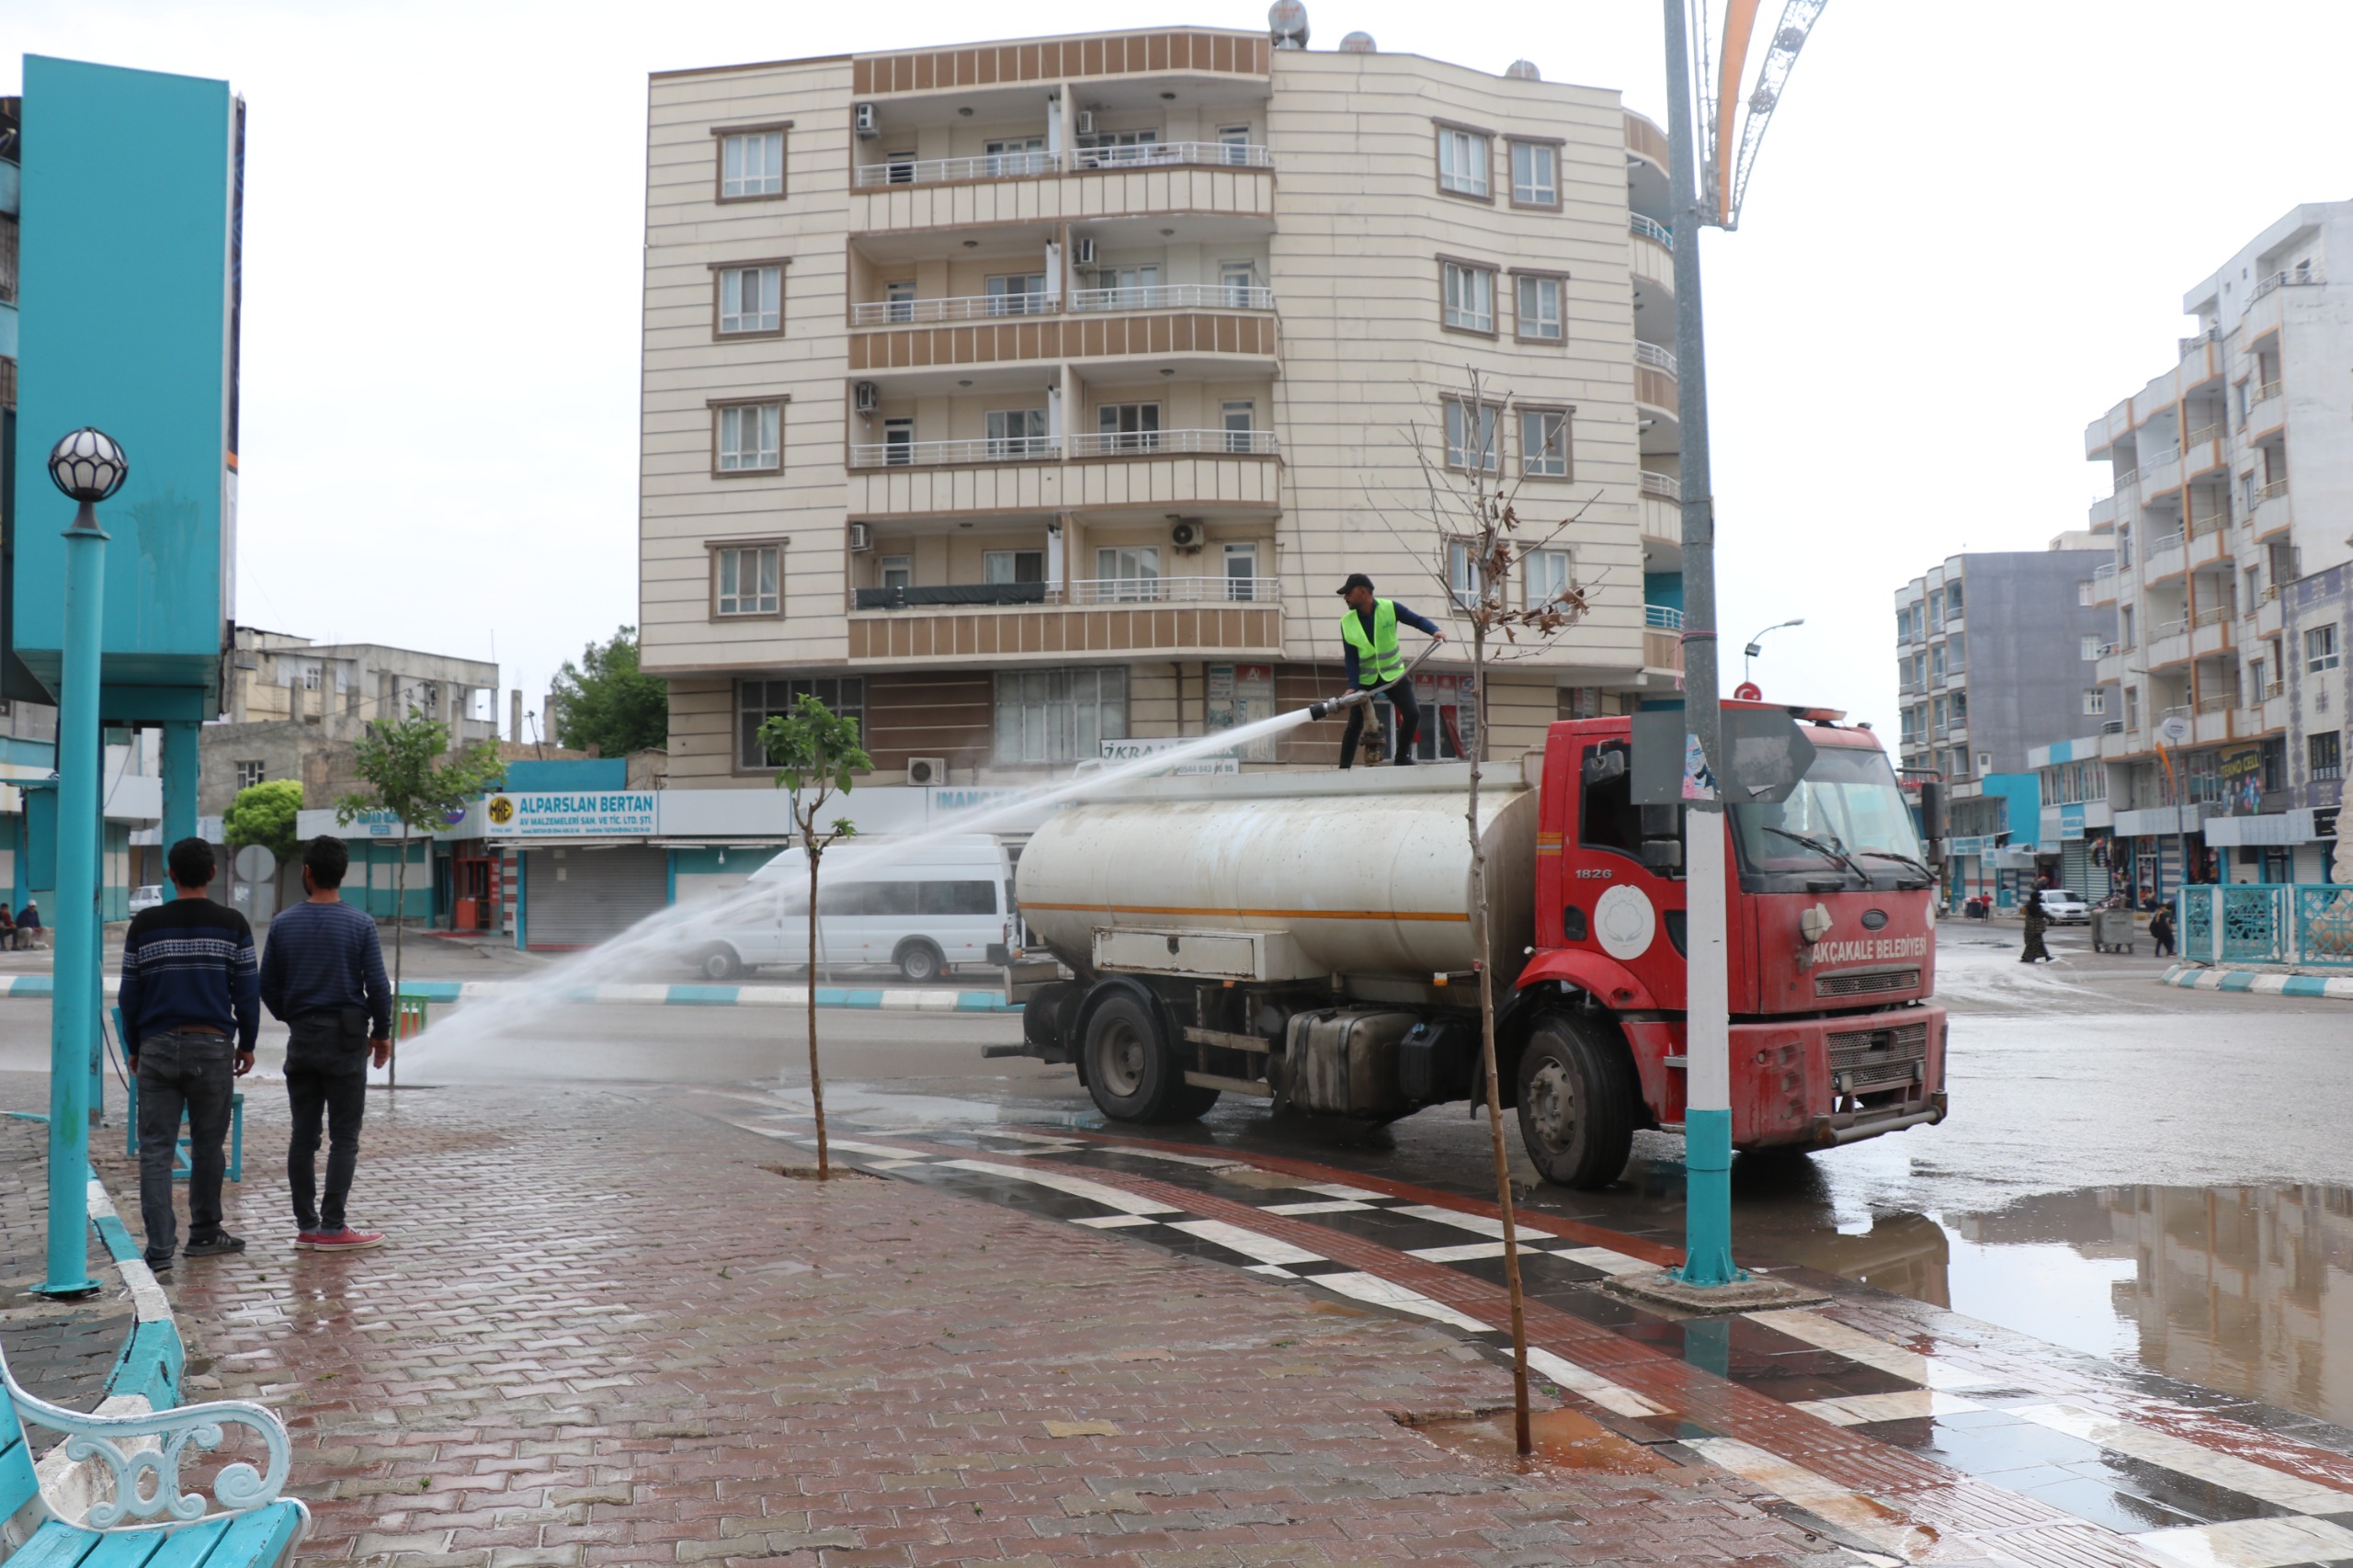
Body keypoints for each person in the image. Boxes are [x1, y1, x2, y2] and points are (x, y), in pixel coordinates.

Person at [119, 838, 256, 1270]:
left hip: (157, 1046)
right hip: (213, 1047)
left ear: (170, 874)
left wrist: (135, 1046)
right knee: (208, 1145)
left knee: (156, 1149)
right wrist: (247, 1043)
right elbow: (247, 993)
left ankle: (160, 1250)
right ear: (212, 873)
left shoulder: (144, 925)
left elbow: (129, 996)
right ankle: (204, 1233)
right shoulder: (233, 924)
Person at [258, 835, 392, 1252]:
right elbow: (379, 988)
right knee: (344, 1137)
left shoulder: (283, 923)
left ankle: (307, 1226)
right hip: (347, 1039)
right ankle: (333, 1228)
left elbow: (267, 986)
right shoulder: (360, 924)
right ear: (344, 873)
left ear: (308, 873)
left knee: (304, 1135)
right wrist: (381, 1034)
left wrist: (293, 1016)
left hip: (303, 1040)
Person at [1334, 573, 1446, 767]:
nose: (1345, 598)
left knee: (1412, 713)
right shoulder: (1347, 622)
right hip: (1366, 680)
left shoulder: (1390, 608)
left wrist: (1434, 631)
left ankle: (1402, 757)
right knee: (1354, 725)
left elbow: (1417, 620)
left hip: (1393, 675)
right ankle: (1344, 768)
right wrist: (1353, 686)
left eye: (1348, 593)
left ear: (1362, 592)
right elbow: (1351, 657)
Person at [2020, 888, 2053, 964]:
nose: (2040, 898)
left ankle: (2045, 957)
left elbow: (2024, 913)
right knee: (2035, 943)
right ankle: (2028, 957)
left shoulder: (2028, 906)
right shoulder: (2037, 907)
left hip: (2029, 928)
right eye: (2039, 897)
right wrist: (2054, 918)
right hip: (2036, 928)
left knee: (2034, 942)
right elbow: (2045, 914)